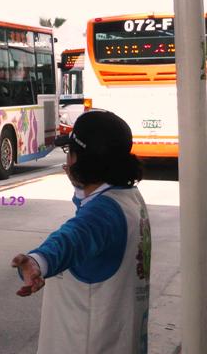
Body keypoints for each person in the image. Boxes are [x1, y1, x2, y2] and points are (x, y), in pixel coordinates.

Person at [11, 110, 150, 354]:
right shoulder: (129, 200)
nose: (67, 160)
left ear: (80, 161)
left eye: (70, 152)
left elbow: (73, 238)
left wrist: (38, 261)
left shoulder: (103, 213)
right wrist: (81, 189)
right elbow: (89, 226)